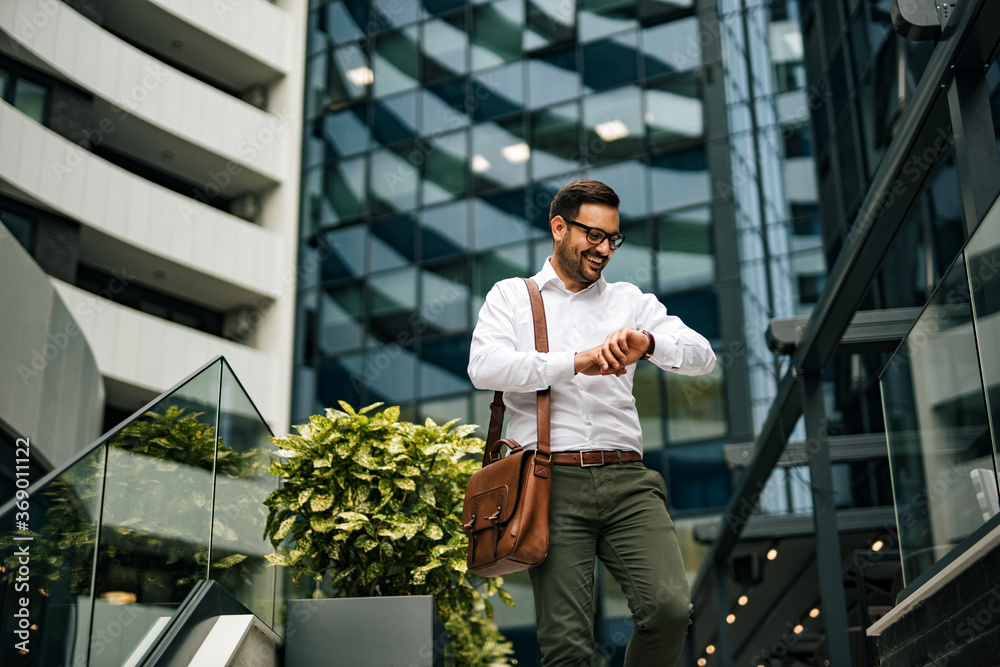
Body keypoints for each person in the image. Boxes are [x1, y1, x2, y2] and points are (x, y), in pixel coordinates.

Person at [467, 180, 717, 667]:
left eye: (613, 239)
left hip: (628, 481)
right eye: (594, 236)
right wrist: (574, 361)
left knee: (668, 611)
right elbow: (484, 366)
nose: (604, 249)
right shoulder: (513, 297)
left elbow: (702, 356)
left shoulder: (631, 301)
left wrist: (649, 343)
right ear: (559, 227)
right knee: (566, 645)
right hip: (549, 481)